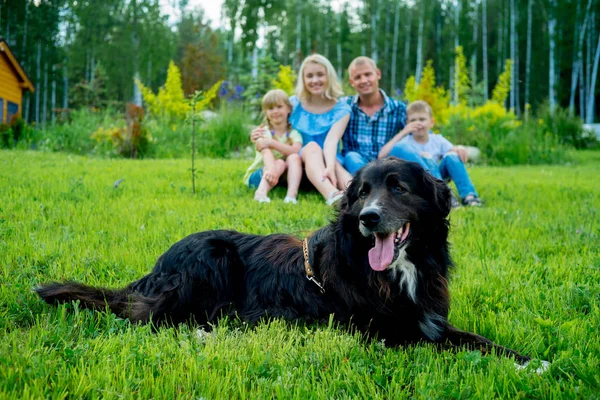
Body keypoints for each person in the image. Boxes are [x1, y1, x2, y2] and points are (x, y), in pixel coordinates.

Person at [378, 100, 483, 206]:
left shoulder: (437, 140)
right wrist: (404, 132)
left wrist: (458, 148)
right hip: (420, 180)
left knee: (452, 156)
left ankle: (469, 196)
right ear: (407, 124)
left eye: (422, 119)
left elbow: (452, 153)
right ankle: (446, 197)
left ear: (431, 122)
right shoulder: (405, 143)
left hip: (438, 176)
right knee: (426, 159)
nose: (418, 123)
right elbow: (381, 155)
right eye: (413, 120)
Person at [289, 54, 352, 206]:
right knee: (312, 147)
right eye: (309, 76)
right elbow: (273, 124)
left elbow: (331, 140)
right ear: (303, 79)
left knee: (334, 163)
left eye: (320, 75)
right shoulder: (293, 104)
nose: (315, 80)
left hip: (329, 159)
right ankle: (332, 194)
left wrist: (329, 166)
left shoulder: (341, 109)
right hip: (298, 163)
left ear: (328, 76)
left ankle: (357, 193)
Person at [341, 56, 407, 175]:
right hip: (356, 165)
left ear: (378, 74)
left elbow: (420, 135)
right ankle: (365, 188)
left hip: (387, 166)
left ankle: (438, 187)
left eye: (368, 74)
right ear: (351, 82)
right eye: (357, 77)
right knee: (351, 156)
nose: (364, 80)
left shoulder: (397, 108)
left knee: (401, 149)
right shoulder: (345, 106)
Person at [243, 89, 303, 204]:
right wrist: (271, 169)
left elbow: (295, 150)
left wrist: (271, 143)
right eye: (270, 108)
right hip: (257, 176)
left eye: (279, 107)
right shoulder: (263, 132)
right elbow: (266, 153)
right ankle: (260, 192)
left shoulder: (293, 133)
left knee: (294, 157)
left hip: (276, 176)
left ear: (288, 109)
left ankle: (291, 196)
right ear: (266, 112)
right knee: (280, 163)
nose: (275, 111)